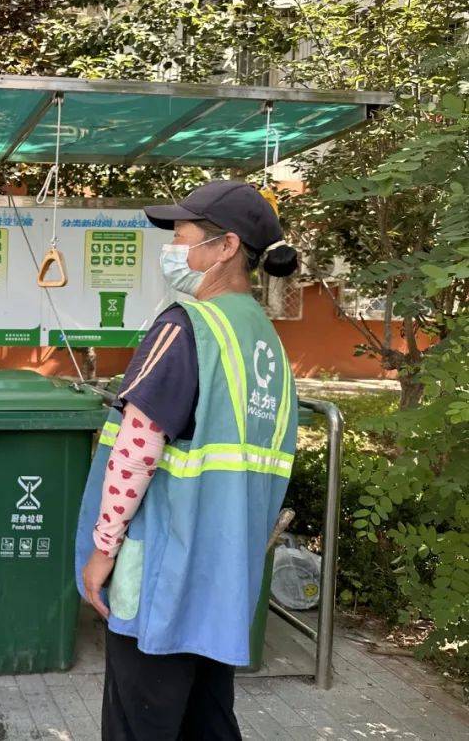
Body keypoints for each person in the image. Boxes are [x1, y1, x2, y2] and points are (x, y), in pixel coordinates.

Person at [75, 181, 300, 740]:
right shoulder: (263, 338)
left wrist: (103, 550)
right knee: (208, 719)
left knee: (140, 722)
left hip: (165, 573)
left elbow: (137, 449)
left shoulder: (187, 326)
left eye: (182, 236)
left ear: (225, 248)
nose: (173, 249)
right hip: (223, 574)